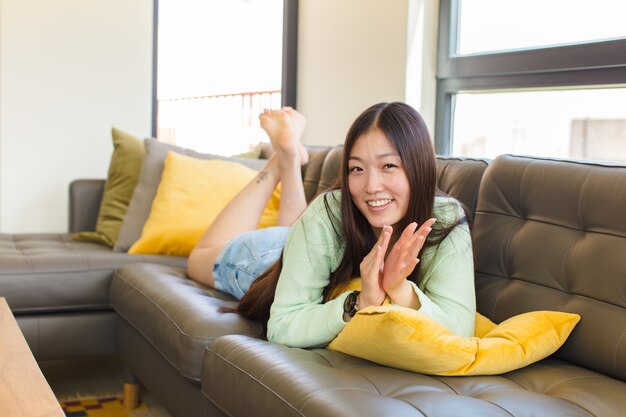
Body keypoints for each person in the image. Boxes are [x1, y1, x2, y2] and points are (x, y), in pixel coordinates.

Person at [187, 102, 476, 349]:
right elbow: (283, 325)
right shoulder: (327, 213)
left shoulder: (447, 220)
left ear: (419, 167)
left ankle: (288, 158)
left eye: (389, 166)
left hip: (306, 248)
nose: (371, 186)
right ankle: (280, 161)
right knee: (198, 257)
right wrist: (360, 302)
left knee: (299, 230)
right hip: (266, 260)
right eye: (357, 169)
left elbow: (461, 330)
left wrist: (398, 289)